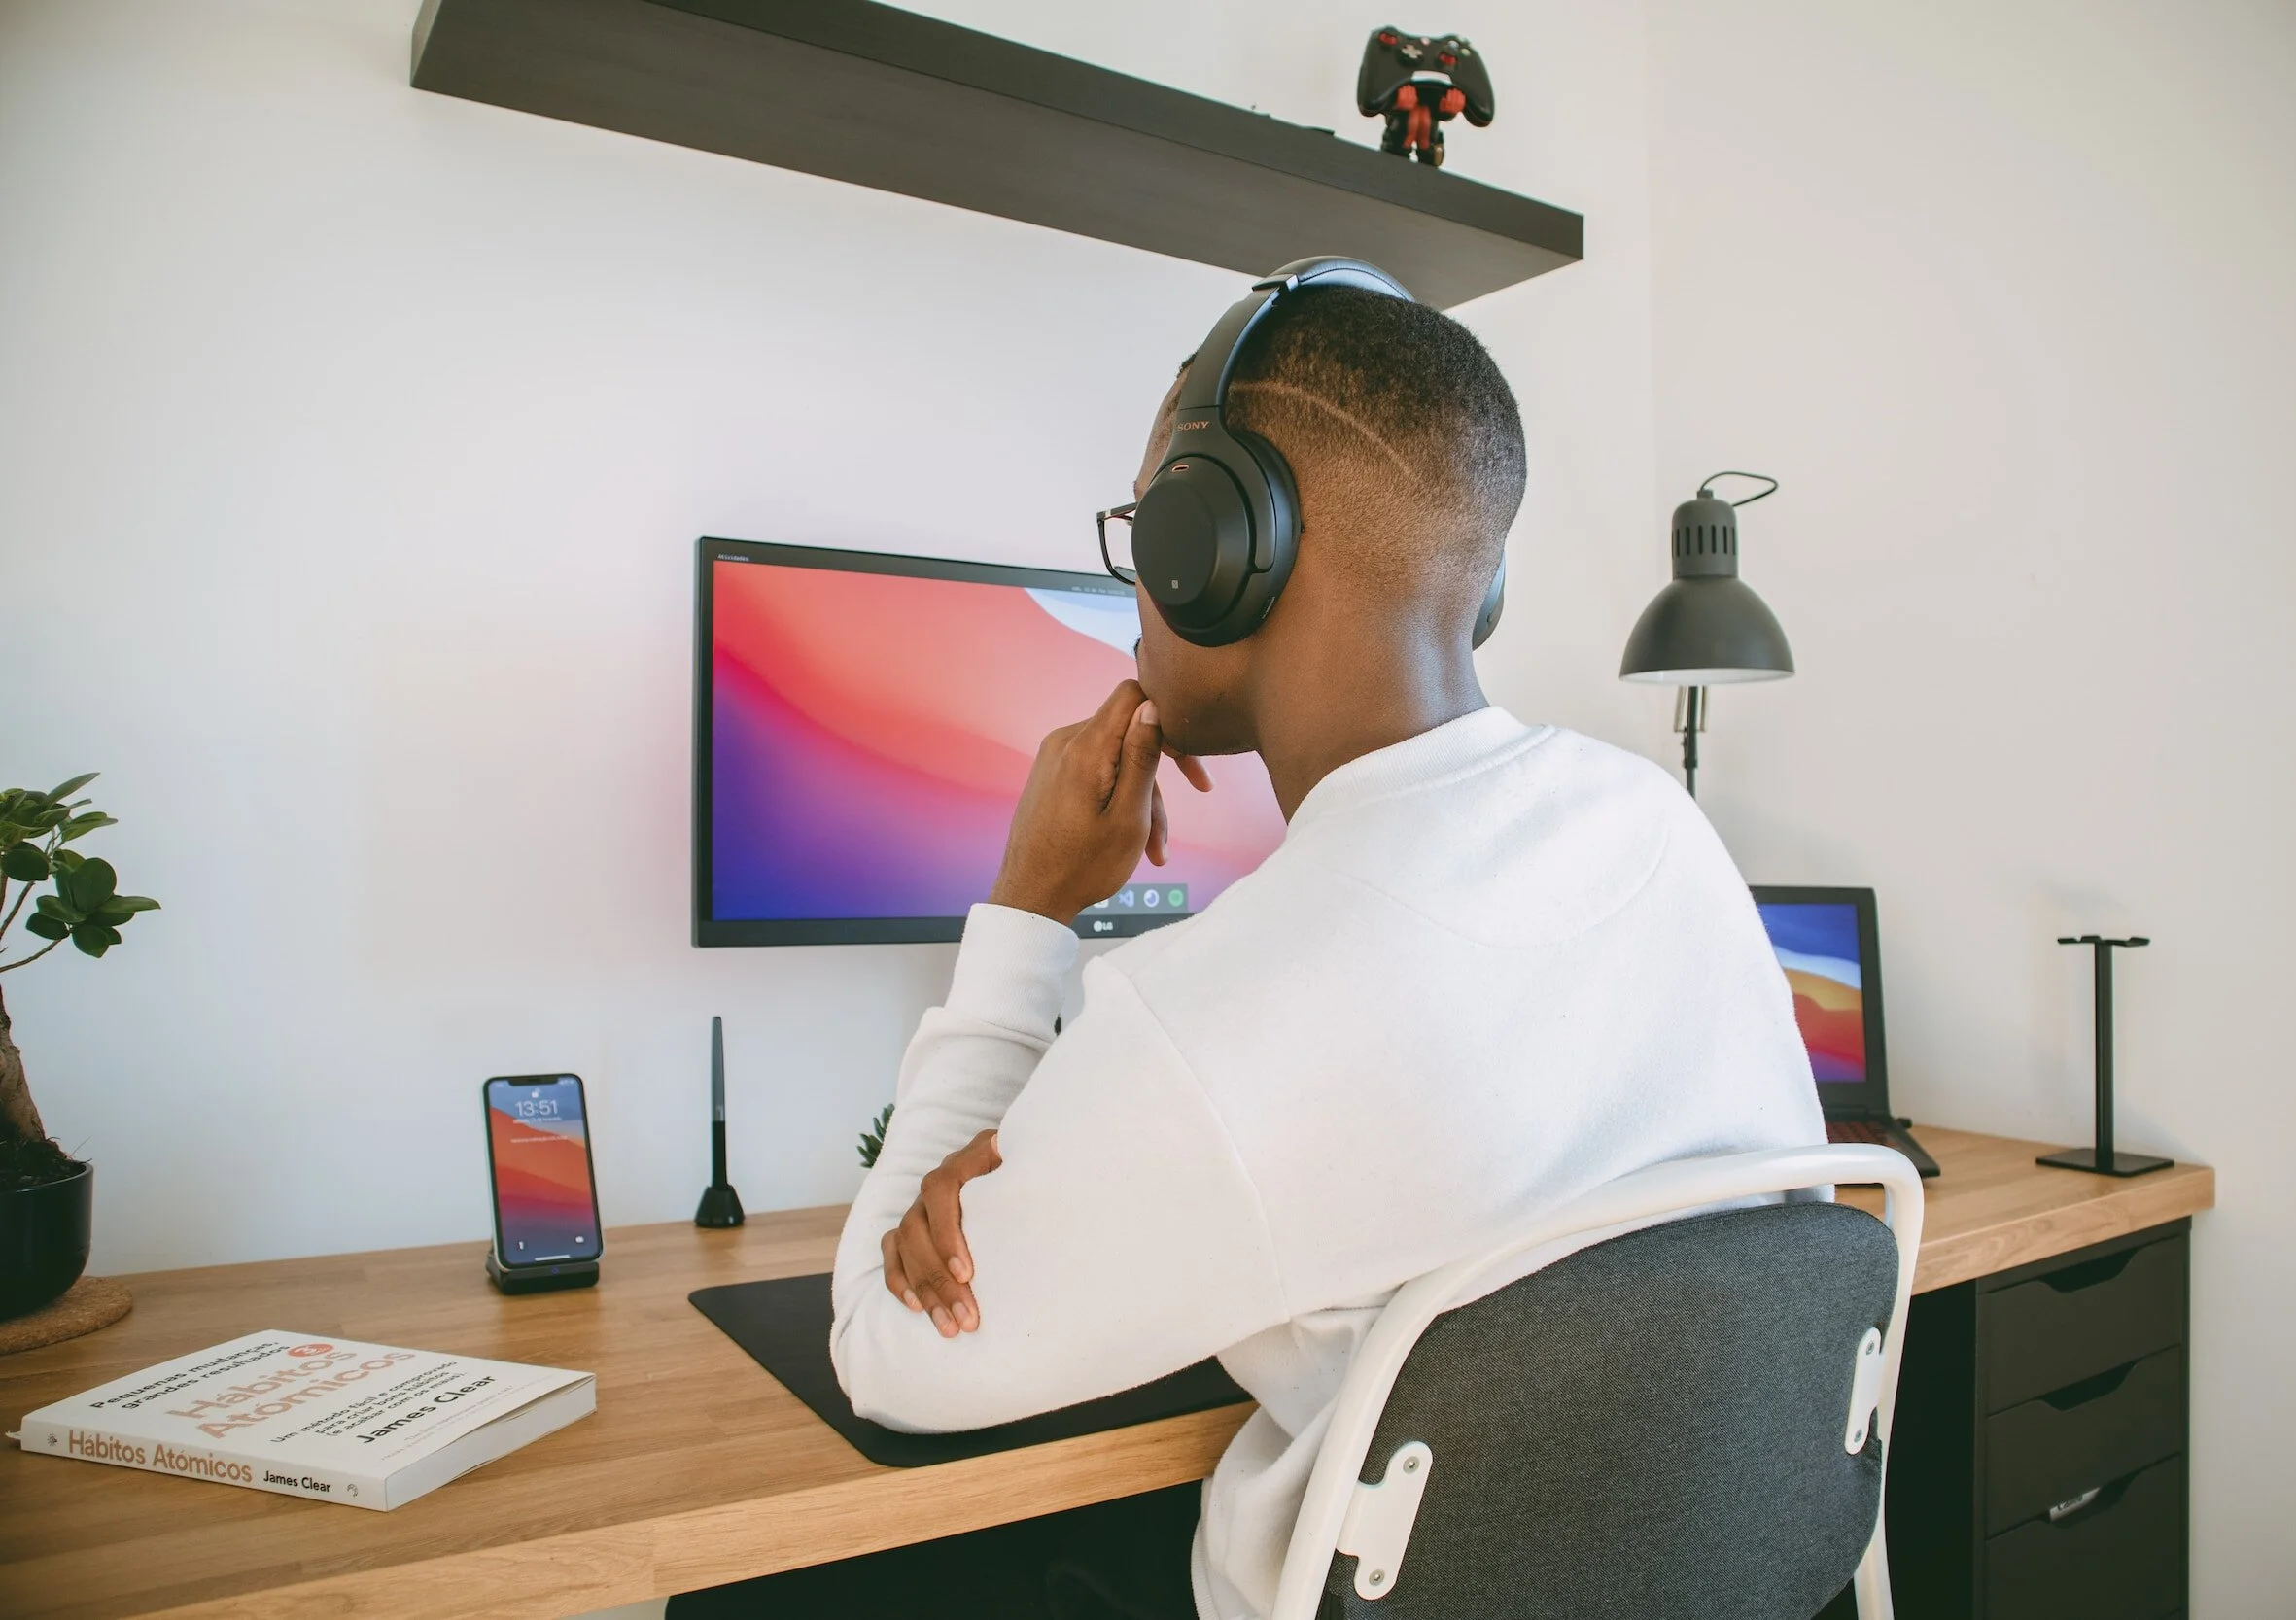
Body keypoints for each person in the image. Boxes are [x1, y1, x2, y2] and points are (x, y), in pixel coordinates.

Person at [673, 285, 1822, 1620]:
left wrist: (1029, 909)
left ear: (1229, 542)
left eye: (1151, 526)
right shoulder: (1660, 827)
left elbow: (879, 1350)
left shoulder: (1214, 1015)